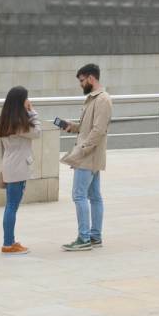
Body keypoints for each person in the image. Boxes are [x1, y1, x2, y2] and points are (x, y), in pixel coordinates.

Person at [60, 62, 112, 251]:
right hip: (91, 155)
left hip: (88, 156)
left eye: (82, 81)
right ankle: (94, 236)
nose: (81, 84)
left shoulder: (102, 100)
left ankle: (84, 238)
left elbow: (98, 131)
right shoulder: (93, 99)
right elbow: (88, 128)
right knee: (94, 196)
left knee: (79, 195)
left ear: (91, 78)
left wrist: (82, 149)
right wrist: (71, 126)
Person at [0, 85, 39, 254]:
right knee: (12, 206)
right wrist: (32, 112)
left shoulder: (5, 120)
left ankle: (10, 241)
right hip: (18, 167)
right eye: (26, 98)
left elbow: (1, 149)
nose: (28, 101)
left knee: (10, 205)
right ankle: (8, 243)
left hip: (9, 165)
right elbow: (37, 132)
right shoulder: (19, 123)